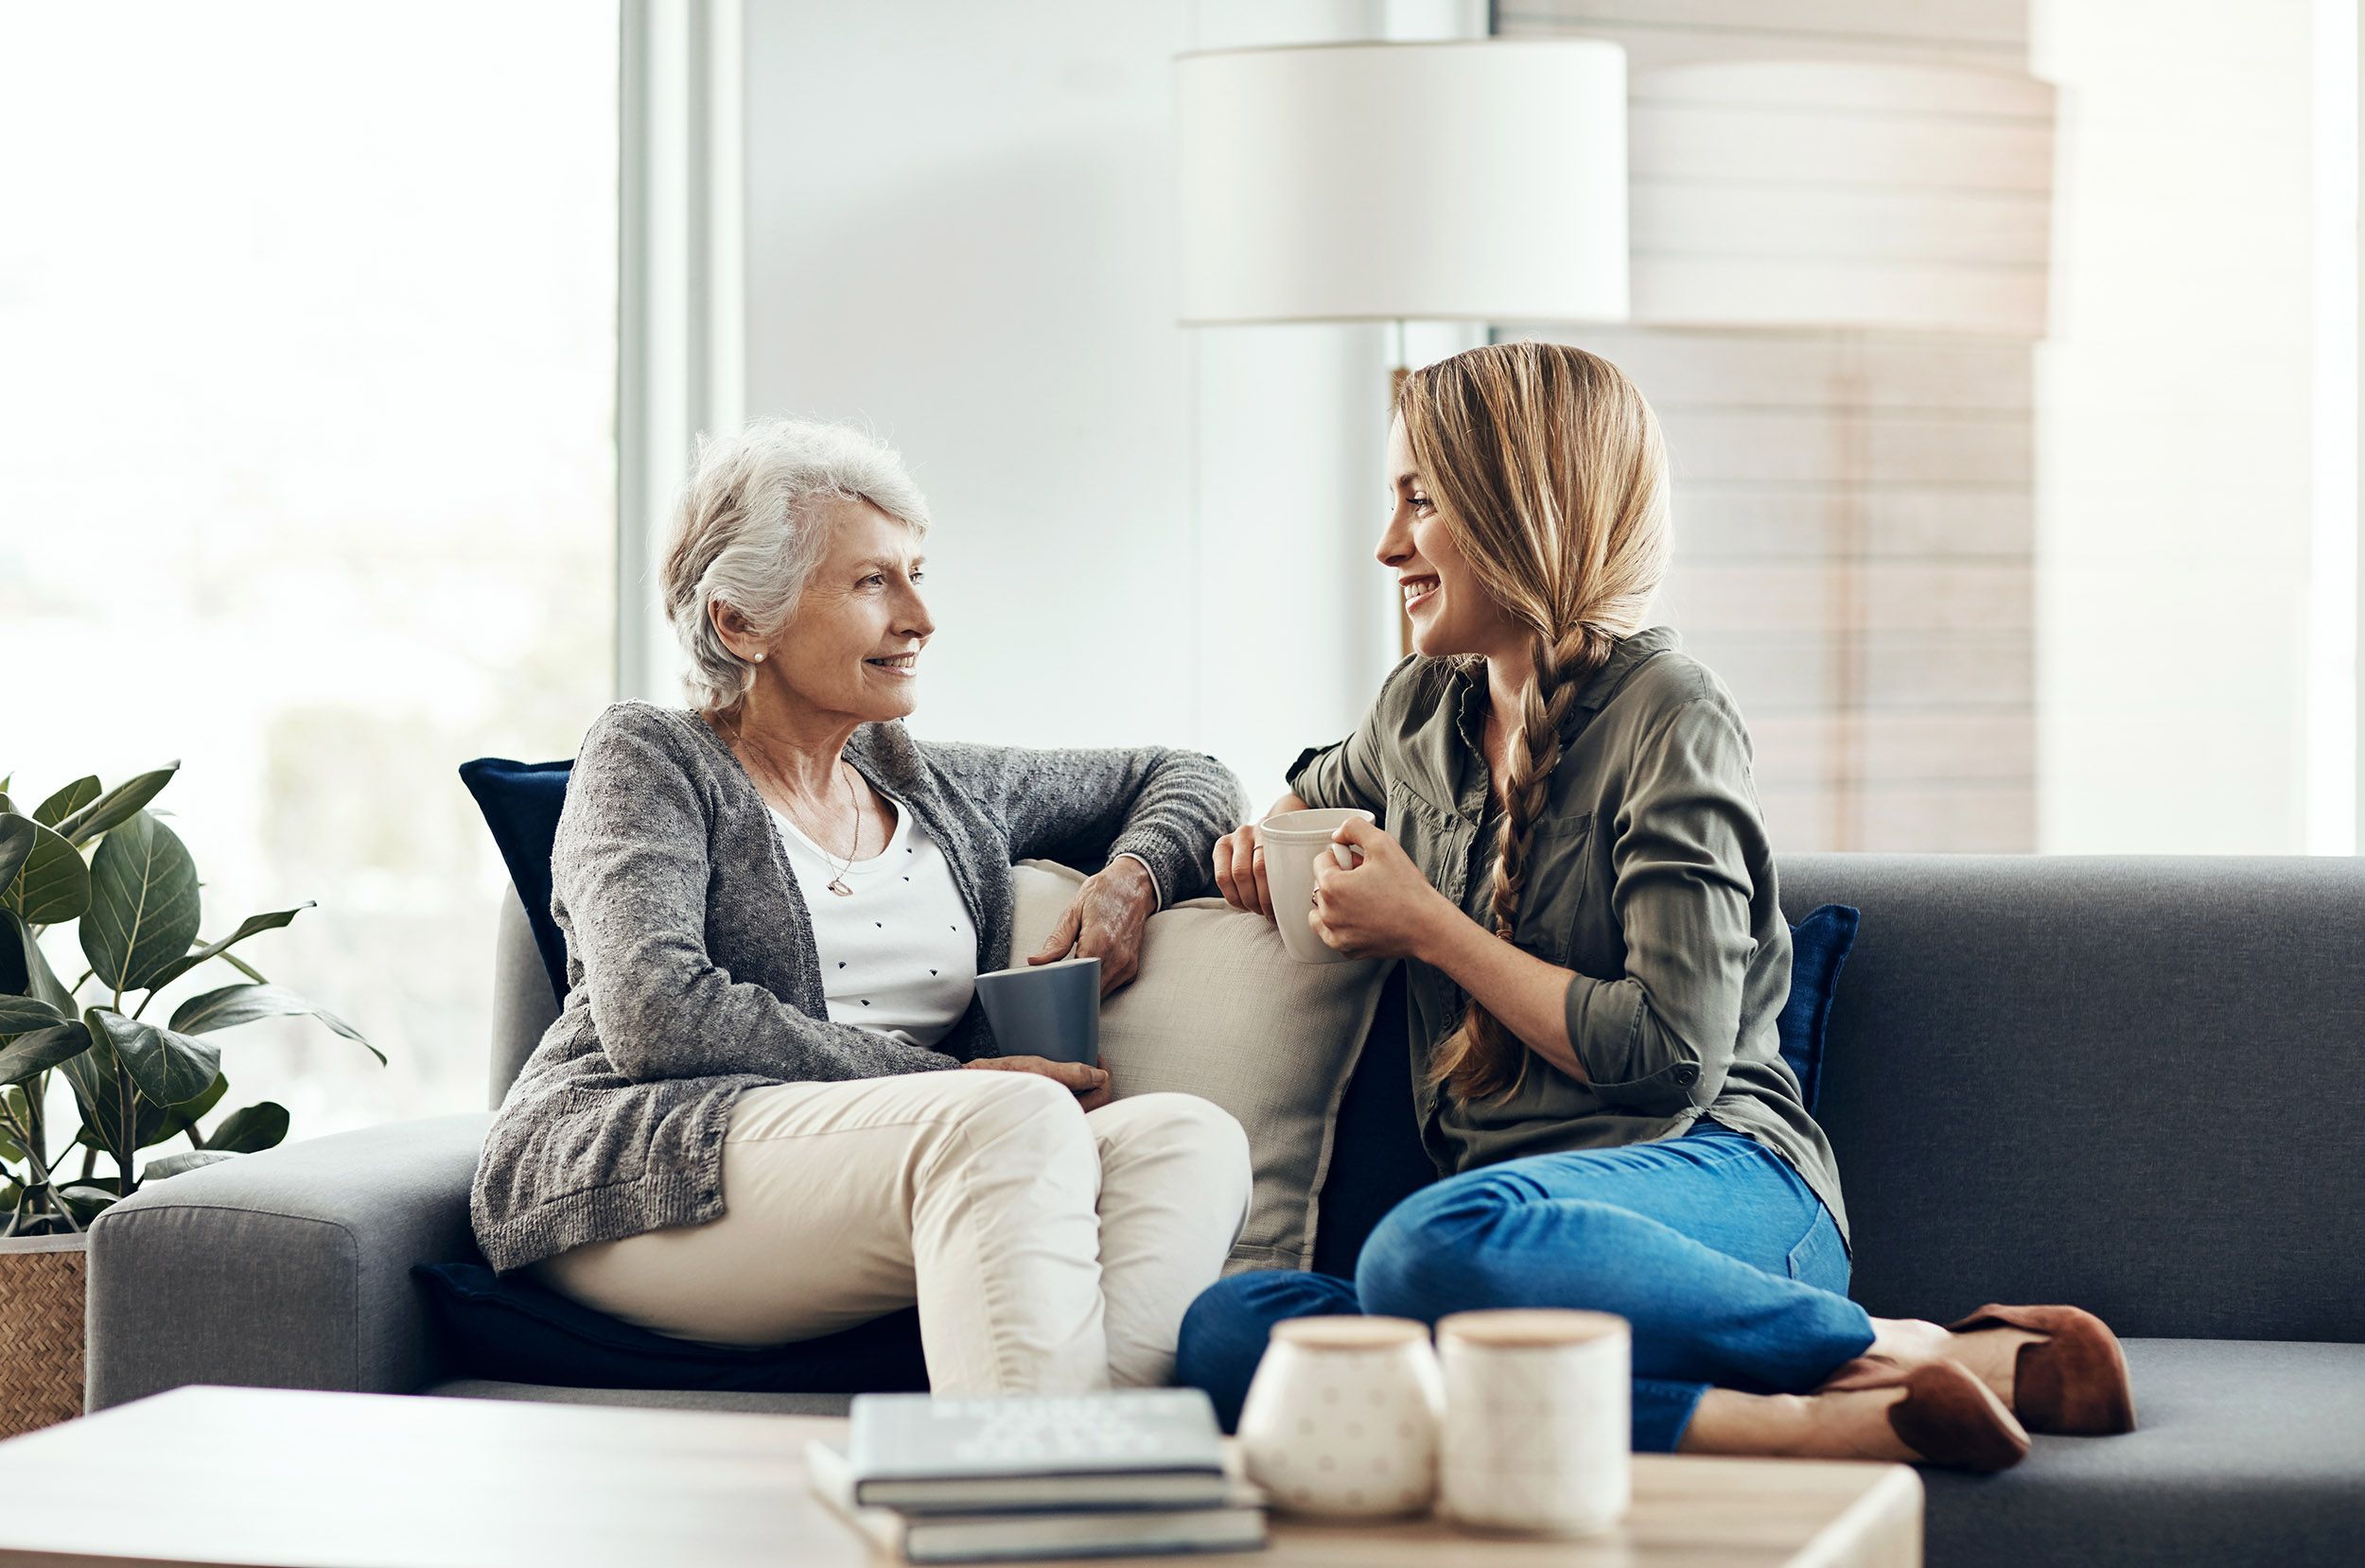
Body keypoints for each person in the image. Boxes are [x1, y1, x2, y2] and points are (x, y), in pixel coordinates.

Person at [1178, 342, 2133, 1470]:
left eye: (1419, 500)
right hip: (1517, 1236)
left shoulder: (1671, 715)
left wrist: (1427, 925)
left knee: (1430, 1251)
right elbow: (1292, 798)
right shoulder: (1417, 711)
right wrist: (1233, 848)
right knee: (1231, 1329)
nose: (1387, 544)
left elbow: (1670, 1056)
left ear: (1516, 507)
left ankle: (1878, 1337)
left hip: (1717, 1186)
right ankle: (1811, 1413)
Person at [470, 417, 1253, 1394]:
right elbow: (655, 1015)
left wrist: (1130, 877)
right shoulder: (650, 758)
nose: (920, 615)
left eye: (915, 572)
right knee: (1004, 1117)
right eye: (873, 581)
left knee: (1187, 1137)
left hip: (902, 1156)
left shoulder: (930, 782)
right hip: (642, 1165)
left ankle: (1106, 1476)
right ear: (739, 622)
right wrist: (948, 1076)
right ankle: (1026, 1506)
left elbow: (1190, 773)